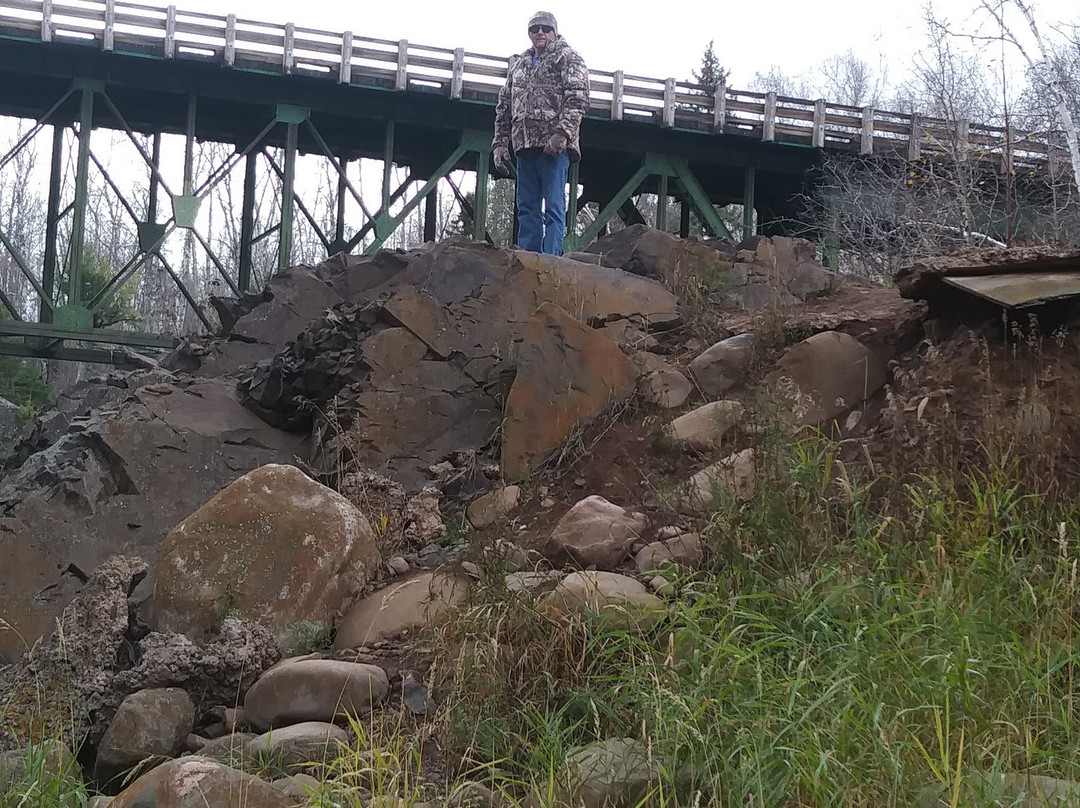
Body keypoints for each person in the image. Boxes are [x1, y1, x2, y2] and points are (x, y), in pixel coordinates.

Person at [492, 11, 589, 255]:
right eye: (534, 29)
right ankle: (529, 258)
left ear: (555, 31)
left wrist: (562, 134)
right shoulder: (519, 66)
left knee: (555, 206)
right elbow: (504, 106)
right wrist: (499, 144)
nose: (540, 33)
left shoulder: (569, 58)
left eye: (546, 28)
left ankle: (552, 260)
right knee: (526, 207)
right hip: (524, 146)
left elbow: (578, 98)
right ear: (529, 34)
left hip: (553, 147)